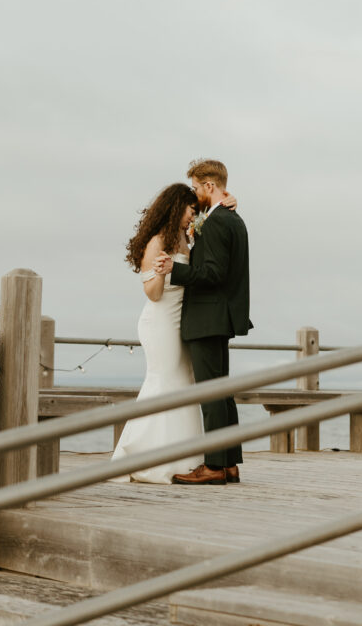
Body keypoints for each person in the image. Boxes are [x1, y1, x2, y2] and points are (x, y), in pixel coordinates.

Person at [111, 181, 237, 484]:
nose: (192, 217)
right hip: (160, 321)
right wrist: (161, 270)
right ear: (175, 208)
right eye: (189, 211)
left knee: (184, 384)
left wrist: (230, 202)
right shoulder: (157, 241)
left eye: (195, 211)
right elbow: (152, 294)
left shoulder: (186, 236)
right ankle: (148, 457)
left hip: (183, 321)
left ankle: (188, 456)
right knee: (164, 380)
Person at [154, 158, 251, 485]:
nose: (195, 195)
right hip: (218, 316)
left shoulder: (218, 222)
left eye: (197, 187)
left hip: (208, 315)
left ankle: (213, 465)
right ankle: (229, 463)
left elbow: (213, 273)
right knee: (222, 393)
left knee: (211, 393)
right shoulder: (230, 217)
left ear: (210, 186)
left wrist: (174, 270)